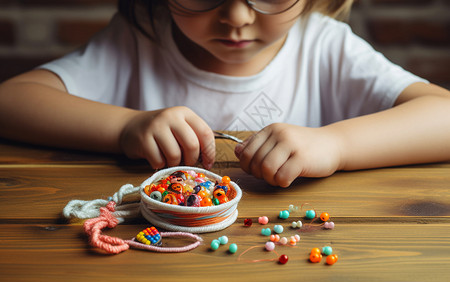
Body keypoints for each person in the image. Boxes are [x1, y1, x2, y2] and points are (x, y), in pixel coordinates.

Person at [0, 0, 449, 187]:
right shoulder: (137, 41)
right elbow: (12, 100)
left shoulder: (325, 46)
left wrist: (337, 143)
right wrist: (125, 127)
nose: (236, 16)